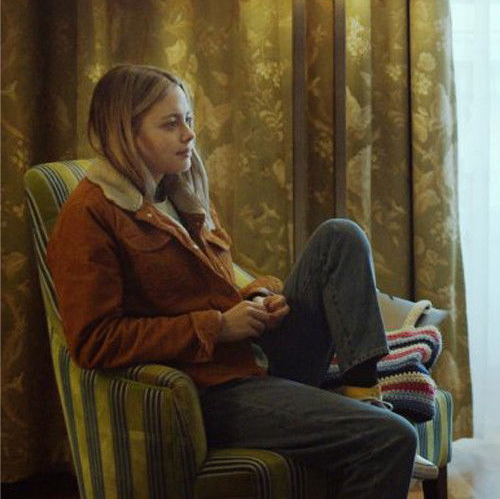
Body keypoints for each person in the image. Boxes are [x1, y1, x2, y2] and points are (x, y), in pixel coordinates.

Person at [47, 63, 433, 498]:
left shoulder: (181, 191)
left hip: (251, 355)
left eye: (188, 119)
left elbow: (220, 281)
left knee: (340, 236)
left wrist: (259, 297)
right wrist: (217, 327)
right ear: (126, 133)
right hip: (208, 390)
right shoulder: (90, 215)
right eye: (171, 124)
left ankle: (363, 393)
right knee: (391, 437)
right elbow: (94, 341)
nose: (189, 134)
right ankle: (375, 421)